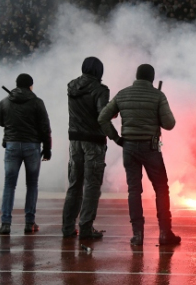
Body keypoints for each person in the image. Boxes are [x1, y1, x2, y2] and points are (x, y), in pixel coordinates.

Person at [98, 64, 180, 246]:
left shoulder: (122, 94)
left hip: (128, 147)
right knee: (161, 188)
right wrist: (156, 116)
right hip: (151, 148)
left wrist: (117, 139)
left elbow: (102, 117)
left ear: (136, 76)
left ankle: (137, 235)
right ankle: (165, 232)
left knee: (134, 190)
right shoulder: (158, 95)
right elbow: (170, 124)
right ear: (152, 78)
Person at [0, 73, 52, 235]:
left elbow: (1, 121)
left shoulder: (5, 101)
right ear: (30, 86)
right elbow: (44, 127)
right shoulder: (37, 102)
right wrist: (47, 148)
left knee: (9, 184)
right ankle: (29, 222)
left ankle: (5, 223)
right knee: (32, 184)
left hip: (12, 145)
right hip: (32, 146)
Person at [62, 57, 109, 240]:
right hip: (94, 141)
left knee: (74, 184)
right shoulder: (100, 90)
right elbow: (102, 116)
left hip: (74, 141)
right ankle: (86, 228)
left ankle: (67, 227)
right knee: (92, 185)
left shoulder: (71, 86)